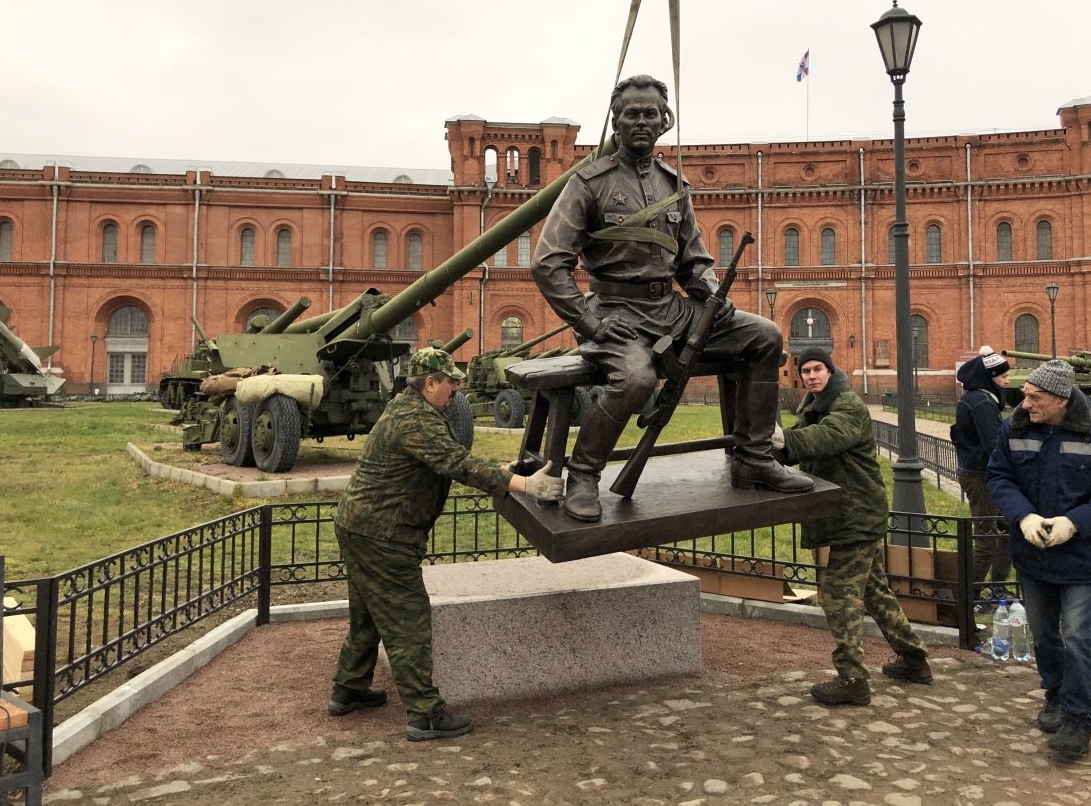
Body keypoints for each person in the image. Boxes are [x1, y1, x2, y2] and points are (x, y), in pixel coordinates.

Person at [532, 73, 813, 522]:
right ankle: (582, 474)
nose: (641, 122)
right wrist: (590, 323)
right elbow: (548, 262)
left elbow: (693, 258)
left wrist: (707, 289)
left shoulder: (673, 184)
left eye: (650, 114)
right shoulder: (587, 183)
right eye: (631, 114)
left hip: (674, 309)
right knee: (637, 379)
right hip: (614, 313)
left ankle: (754, 458)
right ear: (616, 120)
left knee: (765, 335)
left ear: (665, 121)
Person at [330, 347, 563, 741]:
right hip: (384, 535)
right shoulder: (415, 419)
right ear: (430, 382)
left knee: (369, 613)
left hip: (363, 528)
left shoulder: (412, 410)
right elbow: (456, 463)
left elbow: (449, 459)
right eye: (450, 381)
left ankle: (348, 689)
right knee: (408, 621)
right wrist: (525, 484)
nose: (456, 387)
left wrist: (503, 472)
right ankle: (425, 714)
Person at [986, 358, 1091, 760]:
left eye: (1035, 397)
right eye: (1025, 395)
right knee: (1044, 632)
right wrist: (1024, 516)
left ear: (1061, 399)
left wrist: (1074, 522)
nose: (1026, 403)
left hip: (1083, 555)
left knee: (1076, 634)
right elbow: (999, 476)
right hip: (1033, 554)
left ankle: (1078, 718)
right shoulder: (1014, 428)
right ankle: (1054, 692)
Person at [780, 348, 933, 706]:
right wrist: (769, 446)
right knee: (874, 592)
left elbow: (828, 437)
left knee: (837, 594)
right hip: (848, 512)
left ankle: (853, 678)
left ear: (832, 372)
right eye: (806, 371)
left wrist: (781, 440)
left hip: (856, 514)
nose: (812, 375)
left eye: (818, 369)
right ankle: (913, 659)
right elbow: (798, 445)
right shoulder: (814, 406)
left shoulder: (847, 406)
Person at [952, 345, 1012, 597]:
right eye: (1003, 375)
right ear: (990, 378)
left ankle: (997, 587)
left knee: (1003, 532)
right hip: (981, 476)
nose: (1007, 380)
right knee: (987, 538)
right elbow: (993, 443)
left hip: (980, 473)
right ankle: (971, 594)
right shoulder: (981, 403)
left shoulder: (980, 399)